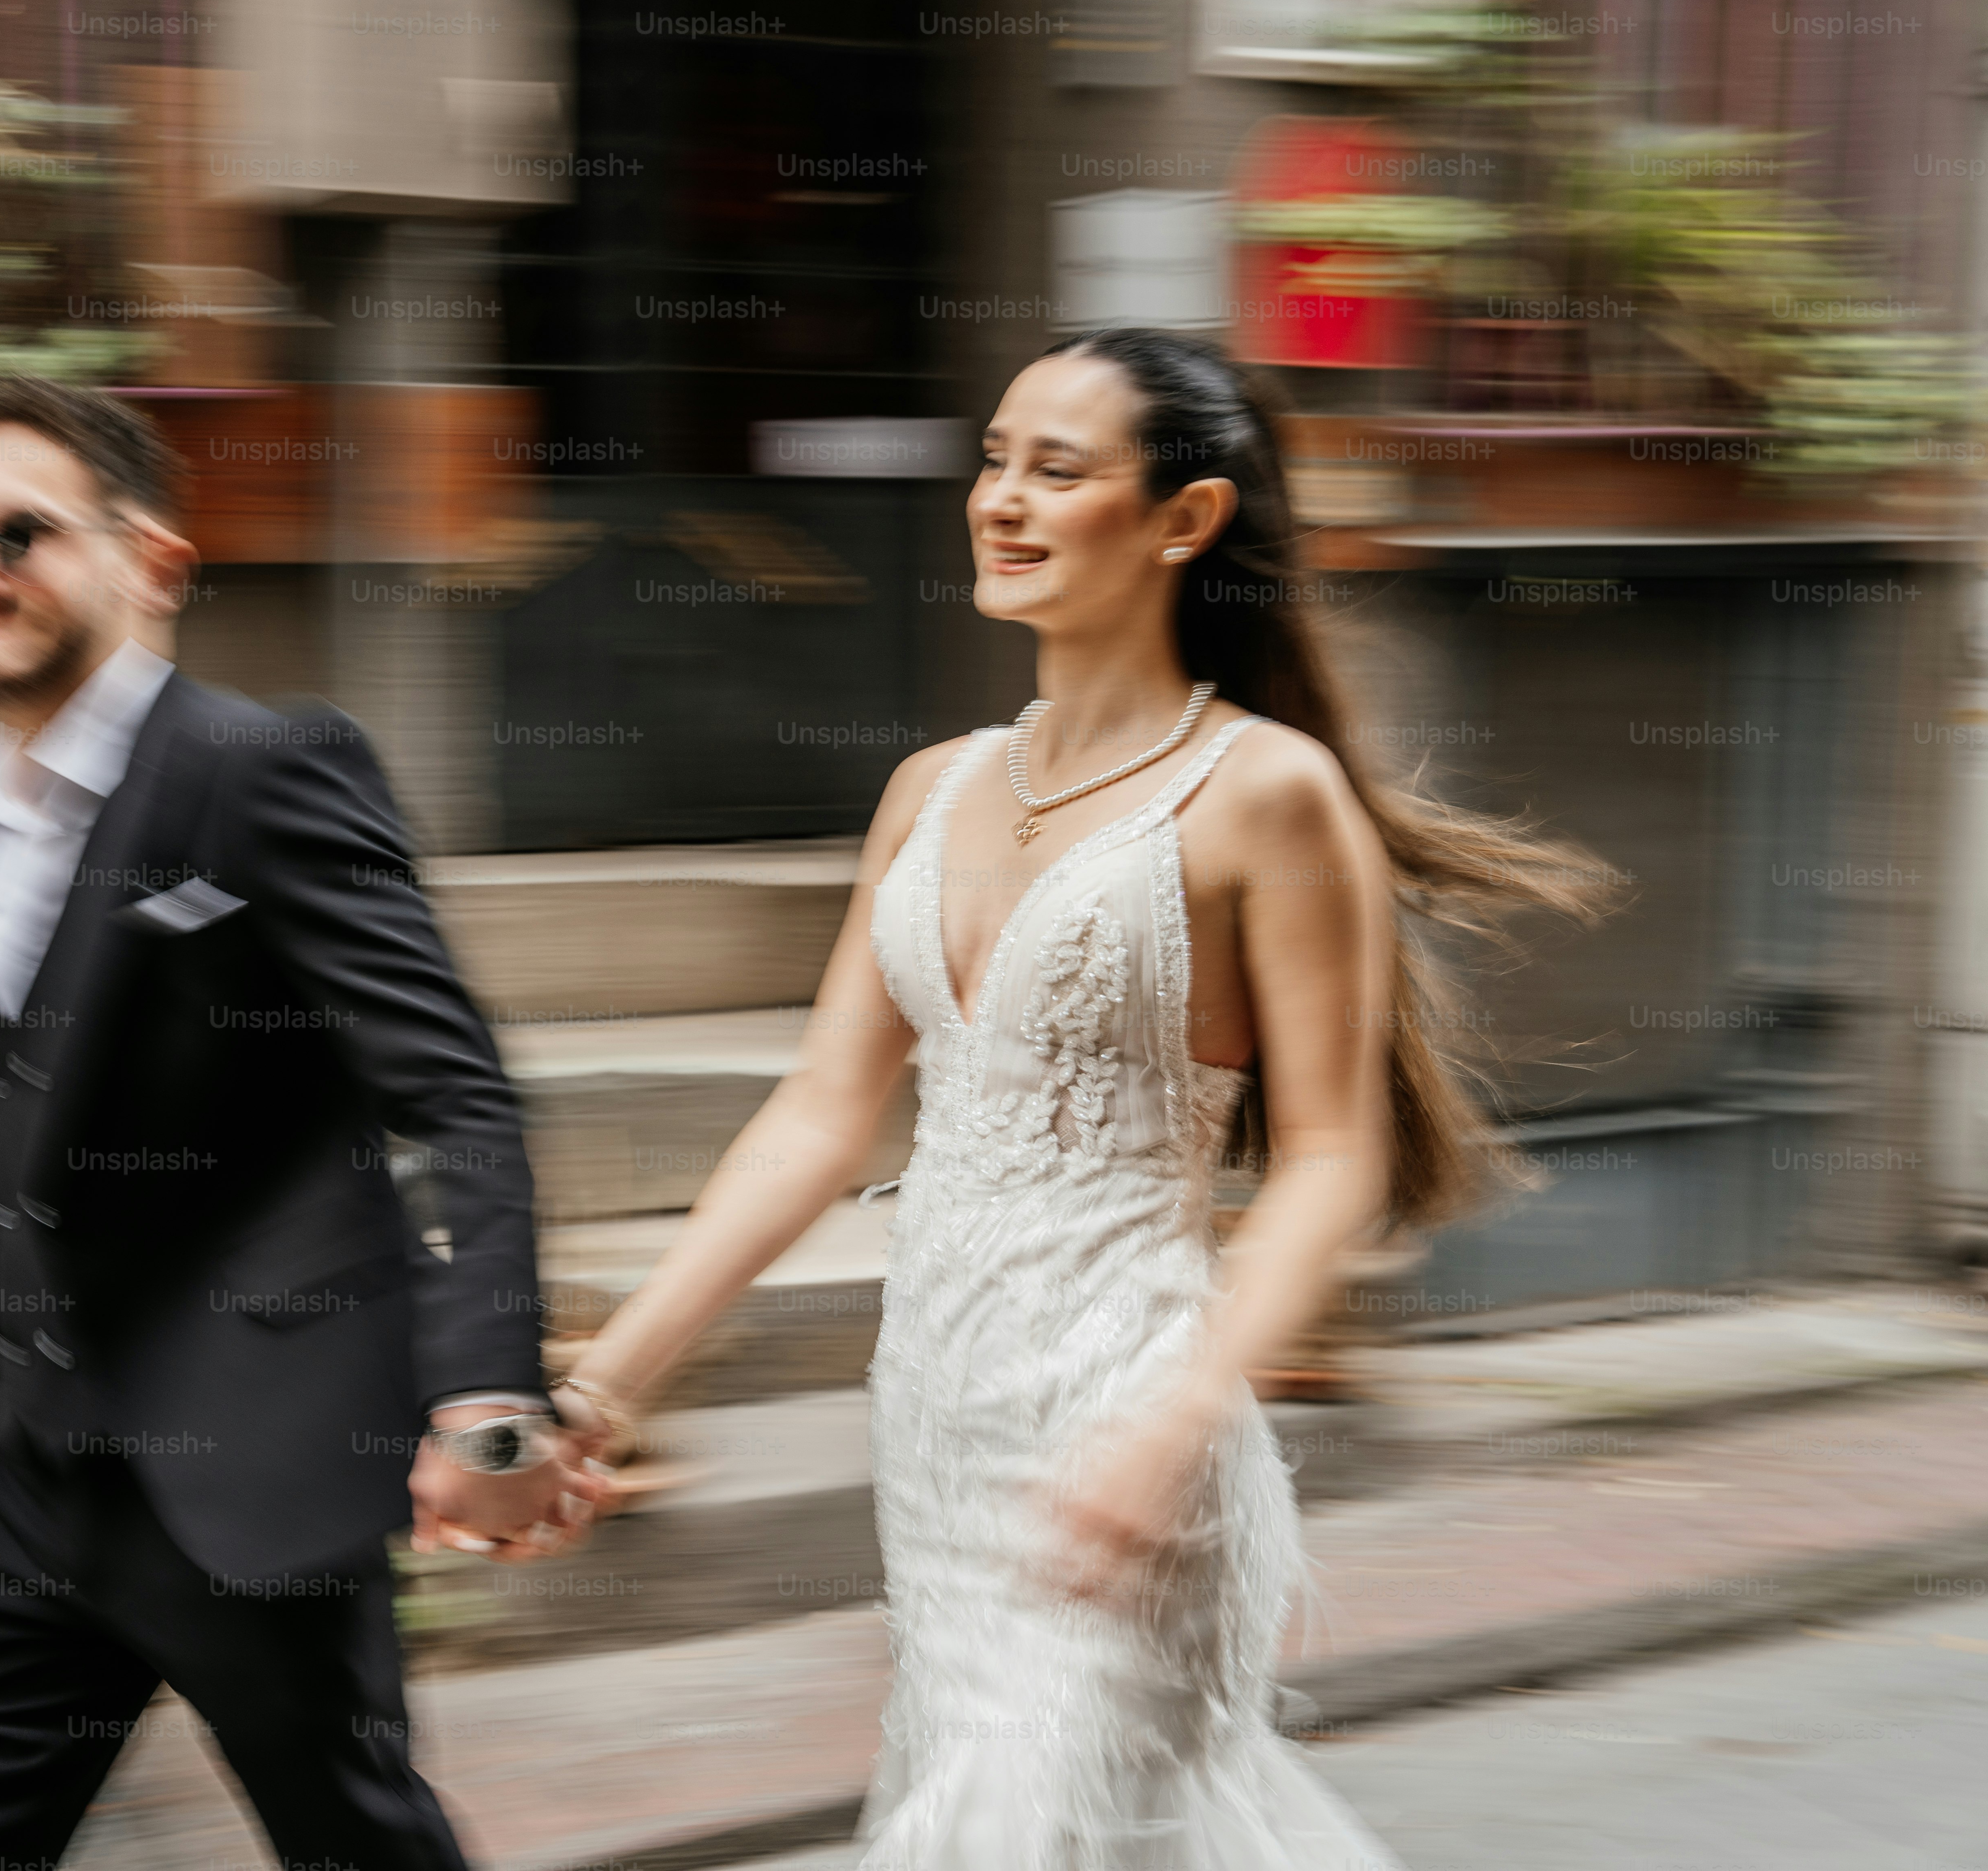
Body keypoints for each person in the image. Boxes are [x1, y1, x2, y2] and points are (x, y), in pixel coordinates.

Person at [545, 329, 1610, 1866]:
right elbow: (821, 1117)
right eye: (993, 458)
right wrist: (611, 1385)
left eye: (1059, 468)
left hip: (1130, 1424)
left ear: (1183, 522)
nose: (1002, 499)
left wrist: (1173, 1425)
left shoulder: (1266, 792)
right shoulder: (932, 788)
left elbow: (1328, 1159)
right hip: (935, 1419)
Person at [0, 375, 590, 1871]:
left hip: (240, 1477)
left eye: (16, 530)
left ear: (154, 564)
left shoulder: (263, 769)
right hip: (28, 1472)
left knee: (356, 1841)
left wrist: (487, 1397)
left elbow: (454, 1093)